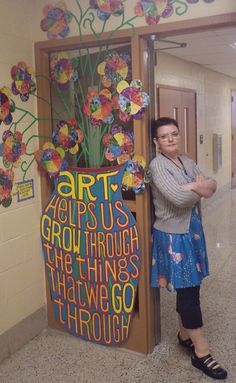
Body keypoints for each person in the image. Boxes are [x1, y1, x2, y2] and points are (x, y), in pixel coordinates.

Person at [149, 117, 227, 380]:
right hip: (173, 237)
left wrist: (194, 185)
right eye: (164, 136)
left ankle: (184, 335)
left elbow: (212, 184)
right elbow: (179, 199)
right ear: (156, 142)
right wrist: (199, 189)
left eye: (174, 134)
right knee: (189, 292)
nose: (171, 139)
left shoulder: (187, 161)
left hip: (191, 232)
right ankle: (201, 352)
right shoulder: (158, 165)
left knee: (191, 287)